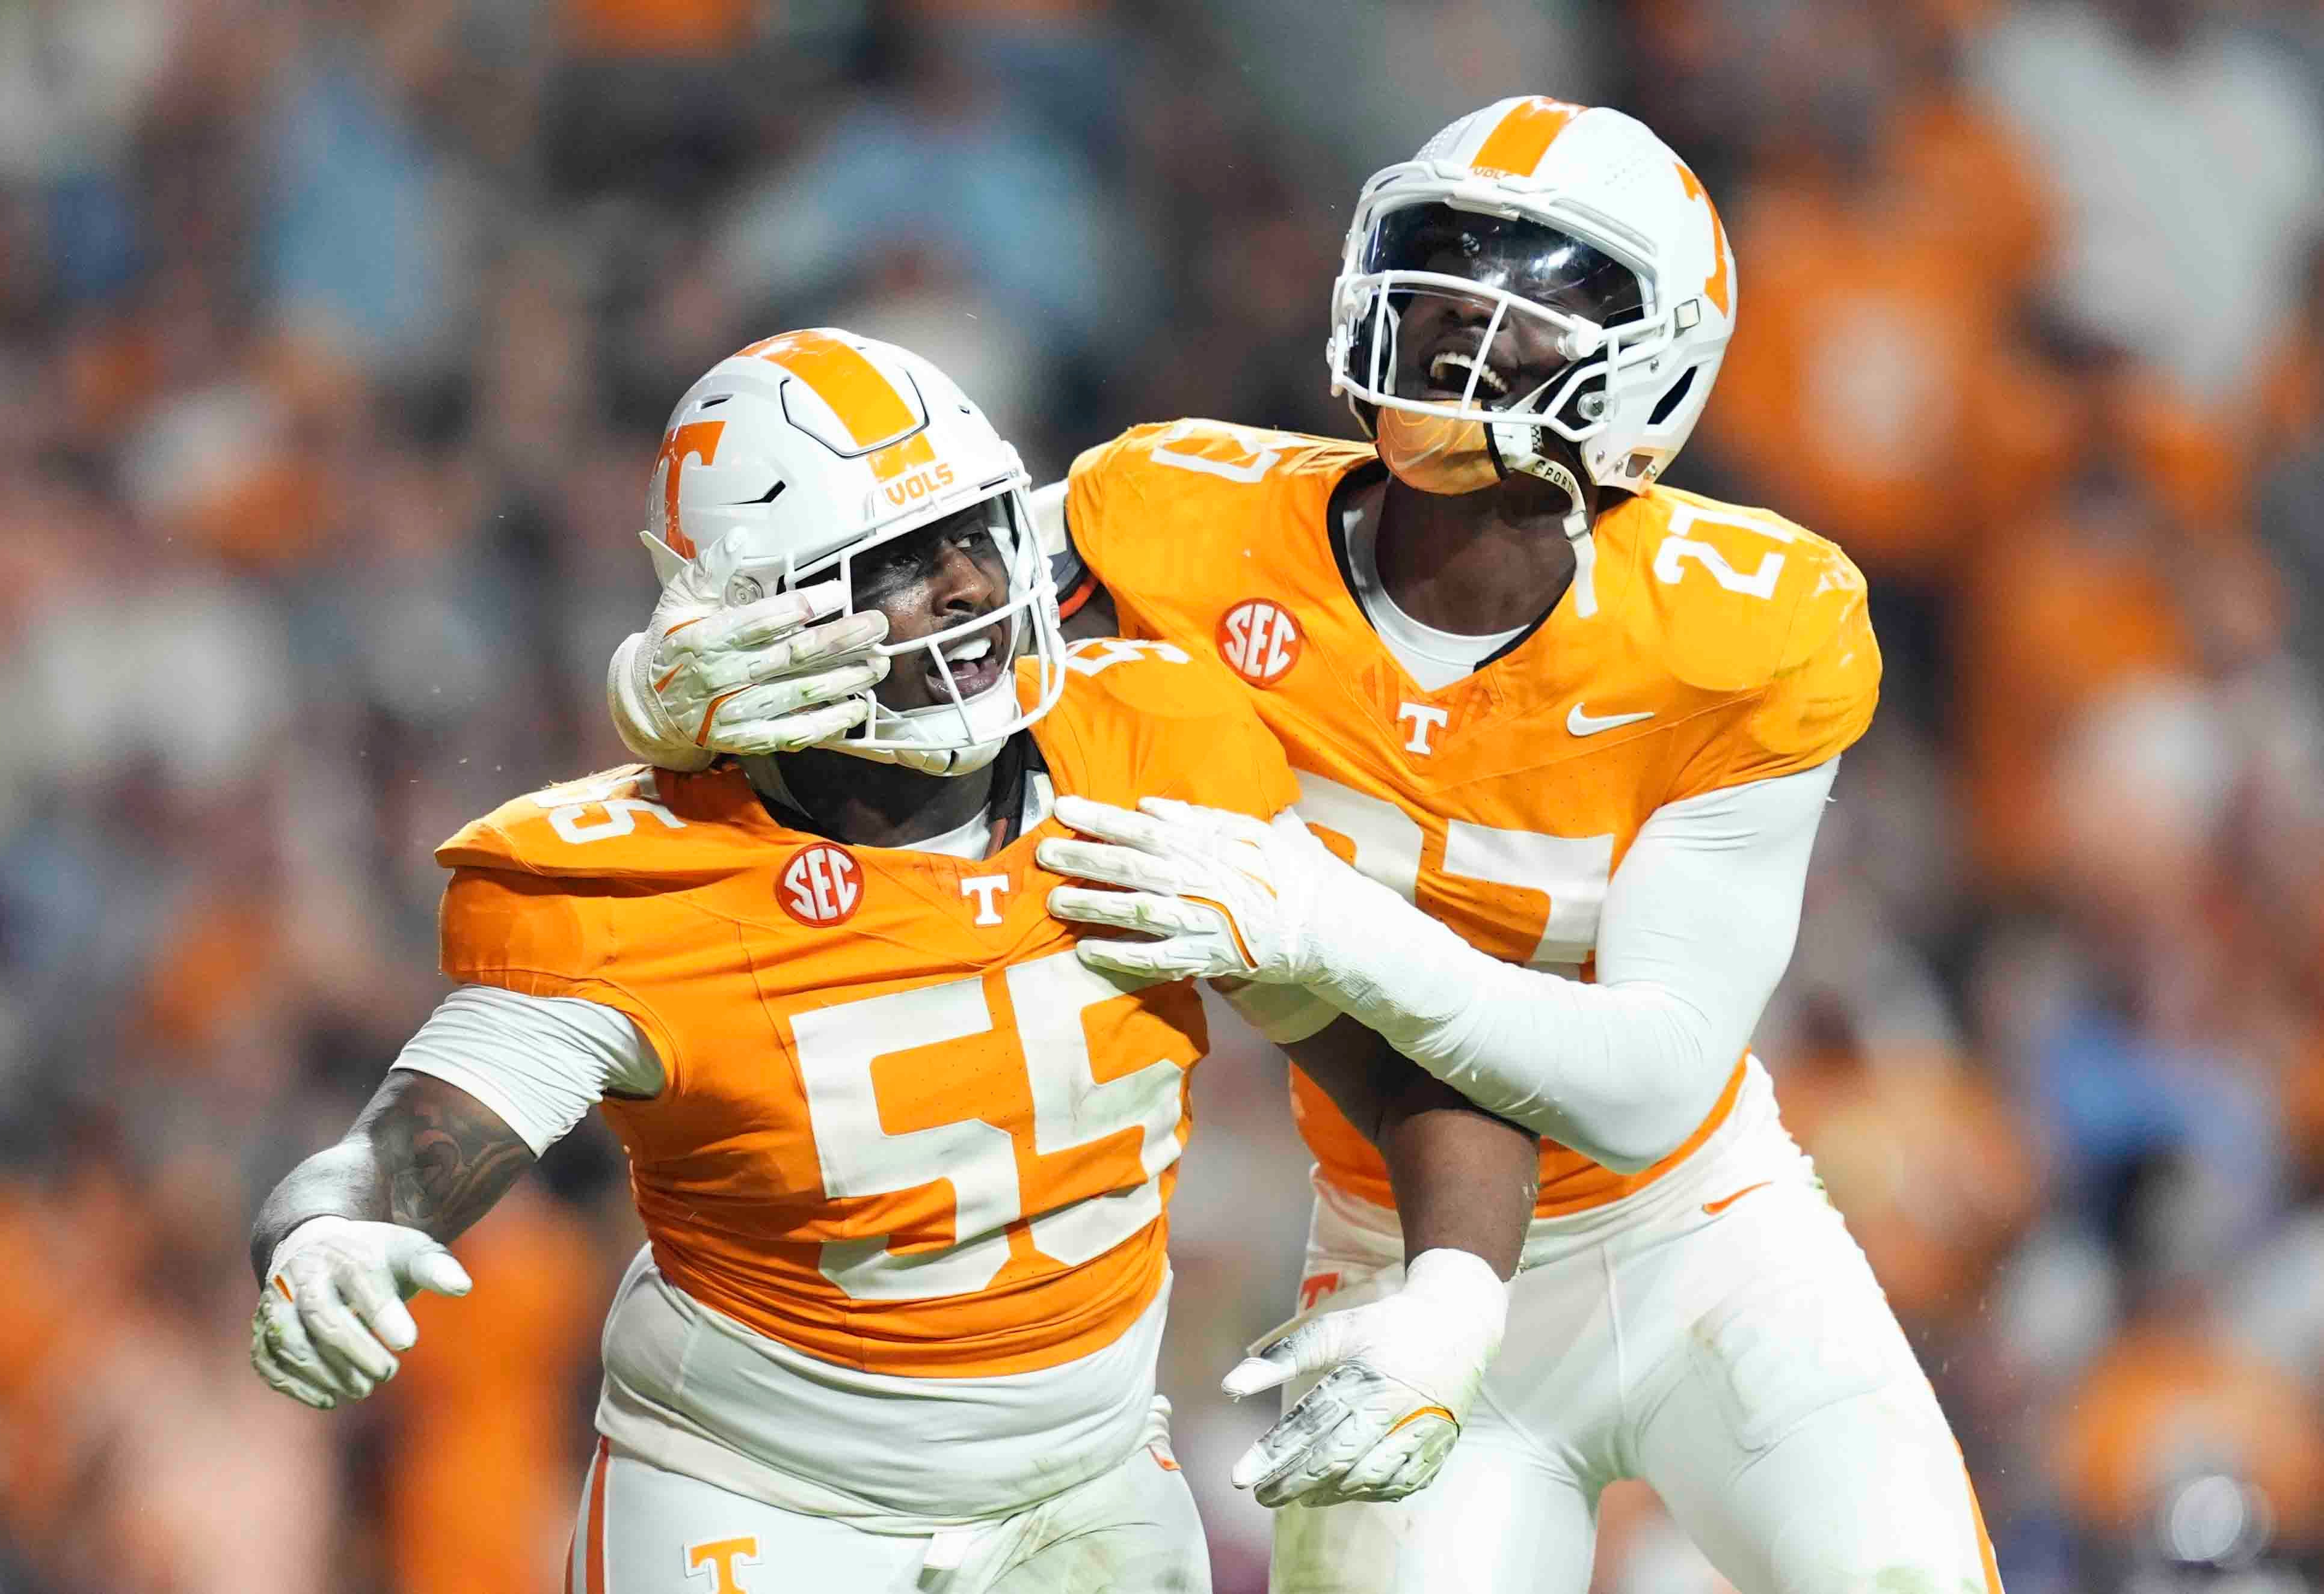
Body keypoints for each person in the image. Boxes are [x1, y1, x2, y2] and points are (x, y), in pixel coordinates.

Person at [604, 102, 2005, 1593]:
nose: (1459, 312)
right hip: (1397, 1248)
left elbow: (1648, 1079)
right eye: (1439, 260)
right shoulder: (1179, 512)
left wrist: (1326, 925)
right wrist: (657, 696)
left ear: (1656, 357)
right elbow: (876, 601)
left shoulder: (1744, 626)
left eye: (1529, 287)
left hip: (1698, 1239)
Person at [244, 328, 1523, 1594]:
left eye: (975, 534)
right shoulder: (643, 884)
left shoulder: (1150, 756)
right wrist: (327, 1235)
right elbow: (399, 1153)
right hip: (759, 1500)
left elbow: (1420, 1061)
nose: (966, 585)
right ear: (757, 615)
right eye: (898, 561)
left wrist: (1454, 1297)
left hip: (1092, 1485)